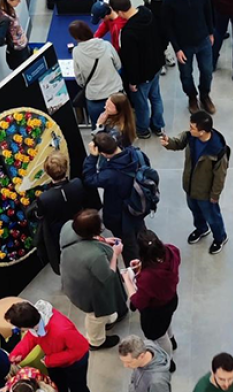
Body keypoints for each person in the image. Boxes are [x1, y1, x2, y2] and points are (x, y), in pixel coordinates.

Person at [161, 111, 229, 253]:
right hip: (190, 187)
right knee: (195, 210)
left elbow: (220, 176)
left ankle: (220, 237)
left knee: (212, 216)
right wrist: (169, 143)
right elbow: (179, 142)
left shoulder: (217, 151)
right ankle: (201, 229)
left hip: (206, 193)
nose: (189, 129)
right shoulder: (191, 137)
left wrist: (215, 195)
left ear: (202, 132)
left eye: (192, 127)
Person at [60, 209, 127, 350]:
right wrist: (115, 254)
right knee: (95, 318)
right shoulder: (94, 256)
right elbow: (108, 276)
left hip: (72, 280)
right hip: (89, 295)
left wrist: (102, 241)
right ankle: (96, 341)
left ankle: (107, 321)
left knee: (101, 315)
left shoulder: (67, 227)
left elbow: (84, 239)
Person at [29, 152, 100, 275]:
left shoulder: (45, 198)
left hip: (59, 233)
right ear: (66, 168)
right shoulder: (77, 184)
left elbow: (39, 215)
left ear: (47, 172)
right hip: (79, 225)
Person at [82, 133, 150, 260]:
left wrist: (92, 157)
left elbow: (90, 180)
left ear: (104, 154)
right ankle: (148, 252)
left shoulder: (110, 175)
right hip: (138, 203)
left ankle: (135, 270)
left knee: (129, 246)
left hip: (121, 214)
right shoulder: (135, 153)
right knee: (141, 232)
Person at [109, 0, 166, 138]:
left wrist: (132, 81)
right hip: (156, 65)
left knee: (141, 104)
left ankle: (143, 129)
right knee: (156, 97)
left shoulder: (128, 33)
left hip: (142, 76)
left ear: (120, 12)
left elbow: (131, 61)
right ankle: (158, 126)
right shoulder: (147, 12)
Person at [120, 230, 180, 363]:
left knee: (158, 336)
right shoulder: (171, 250)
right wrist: (142, 265)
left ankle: (167, 361)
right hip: (171, 299)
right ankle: (172, 338)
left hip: (155, 312)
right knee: (167, 321)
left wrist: (128, 280)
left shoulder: (148, 278)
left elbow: (138, 301)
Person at [6, 301, 90, 392]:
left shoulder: (62, 330)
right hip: (54, 361)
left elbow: (81, 349)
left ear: (25, 326)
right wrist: (17, 354)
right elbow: (32, 337)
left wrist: (50, 360)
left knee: (77, 387)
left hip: (74, 364)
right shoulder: (34, 319)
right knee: (58, 385)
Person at [162, 0, 215, 113]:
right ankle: (192, 96)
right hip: (184, 45)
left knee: (207, 71)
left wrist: (210, 32)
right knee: (186, 74)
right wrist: (177, 48)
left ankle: (205, 96)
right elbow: (168, 25)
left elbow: (208, 10)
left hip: (203, 39)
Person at [69, 20, 123, 129]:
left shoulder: (77, 52)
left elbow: (79, 77)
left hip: (94, 96)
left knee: (98, 128)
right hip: (115, 92)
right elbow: (118, 65)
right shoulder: (106, 45)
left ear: (75, 37)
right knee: (119, 125)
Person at [0, 0, 31, 70]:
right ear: (9, 1)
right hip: (18, 55)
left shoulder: (5, 8)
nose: (20, 2)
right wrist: (11, 42)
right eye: (17, 0)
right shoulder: (5, 20)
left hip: (22, 47)